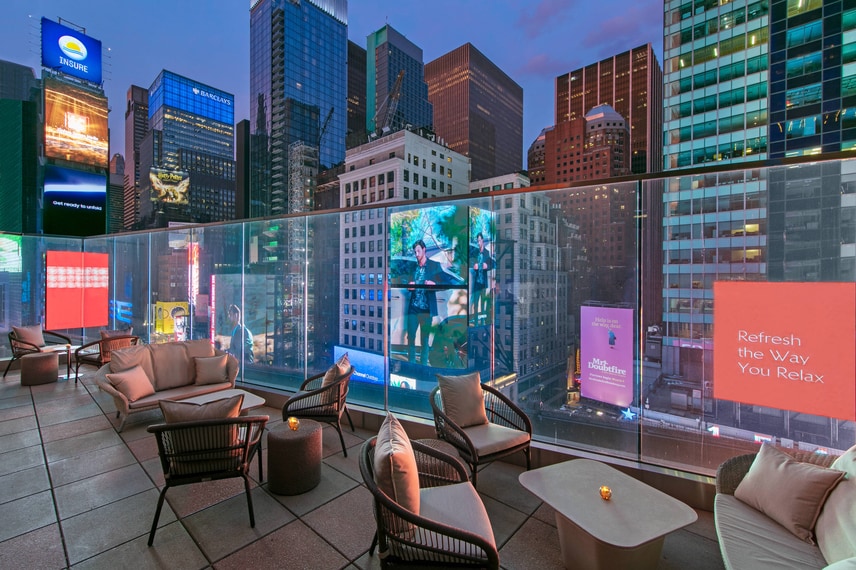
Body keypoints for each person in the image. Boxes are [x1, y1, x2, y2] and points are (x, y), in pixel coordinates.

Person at [406, 240, 449, 365]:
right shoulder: (413, 267)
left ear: (424, 250)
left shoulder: (434, 265)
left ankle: (423, 365)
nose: (416, 254)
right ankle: (411, 364)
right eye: (415, 252)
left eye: (418, 251)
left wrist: (434, 284)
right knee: (411, 337)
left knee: (424, 339)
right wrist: (409, 286)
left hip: (426, 310)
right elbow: (408, 283)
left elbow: (445, 282)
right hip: (413, 308)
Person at [470, 232, 494, 320]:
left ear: (482, 240)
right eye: (477, 241)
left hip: (483, 283)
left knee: (483, 303)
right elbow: (470, 262)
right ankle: (476, 321)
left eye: (479, 240)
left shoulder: (487, 253)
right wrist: (474, 265)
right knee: (475, 303)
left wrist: (487, 266)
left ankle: (483, 320)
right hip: (476, 283)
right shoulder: (474, 252)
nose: (478, 242)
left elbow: (492, 264)